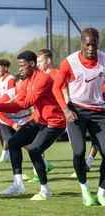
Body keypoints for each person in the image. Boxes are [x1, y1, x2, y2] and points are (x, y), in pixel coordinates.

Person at [0, 50, 65, 200]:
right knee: (13, 142)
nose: (20, 69)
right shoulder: (26, 81)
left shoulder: (43, 79)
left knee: (34, 150)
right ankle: (18, 184)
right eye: (19, 66)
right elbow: (16, 104)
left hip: (54, 122)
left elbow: (25, 104)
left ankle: (45, 189)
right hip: (38, 120)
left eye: (23, 65)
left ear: (32, 64)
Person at [53, 27, 105, 206]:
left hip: (99, 112)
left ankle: (101, 192)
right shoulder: (69, 62)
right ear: (82, 43)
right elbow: (56, 88)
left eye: (94, 43)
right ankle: (84, 190)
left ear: (98, 42)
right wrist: (66, 110)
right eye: (88, 44)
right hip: (76, 111)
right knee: (79, 151)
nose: (91, 47)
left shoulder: (104, 59)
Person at [0, 59, 16, 164]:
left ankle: (7, 155)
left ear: (5, 67)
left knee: (11, 137)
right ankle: (5, 155)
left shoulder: (11, 79)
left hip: (7, 112)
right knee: (1, 134)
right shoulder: (0, 80)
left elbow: (11, 96)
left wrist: (0, 104)